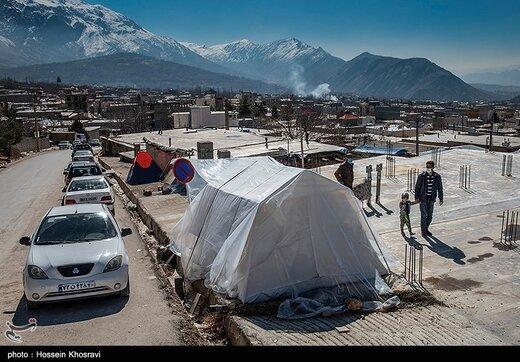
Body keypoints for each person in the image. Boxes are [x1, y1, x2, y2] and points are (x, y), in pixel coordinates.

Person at [415, 160, 443, 237]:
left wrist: (441, 198)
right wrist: (417, 197)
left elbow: (440, 188)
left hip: (431, 199)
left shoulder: (437, 176)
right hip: (423, 198)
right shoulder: (421, 176)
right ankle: (423, 231)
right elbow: (417, 187)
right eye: (427, 166)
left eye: (430, 167)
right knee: (424, 215)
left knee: (430, 216)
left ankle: (426, 228)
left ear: (433, 167)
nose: (428, 168)